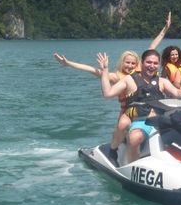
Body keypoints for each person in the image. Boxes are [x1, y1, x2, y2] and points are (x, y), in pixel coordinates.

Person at [52, 11, 172, 163]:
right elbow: (91, 70)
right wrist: (69, 64)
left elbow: (152, 46)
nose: (130, 65)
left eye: (133, 63)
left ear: (138, 64)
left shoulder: (139, 74)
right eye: (127, 62)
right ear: (122, 62)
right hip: (126, 113)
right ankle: (115, 152)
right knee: (124, 133)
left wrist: (165, 29)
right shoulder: (116, 77)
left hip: (145, 111)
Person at [98, 49, 181, 163]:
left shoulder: (162, 81)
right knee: (134, 138)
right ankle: (128, 162)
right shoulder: (129, 80)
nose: (152, 66)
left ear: (158, 65)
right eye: (148, 62)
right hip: (139, 121)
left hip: (160, 120)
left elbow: (177, 92)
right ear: (142, 63)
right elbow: (107, 94)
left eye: (155, 63)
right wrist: (105, 70)